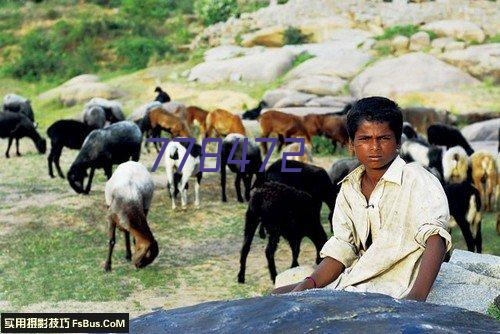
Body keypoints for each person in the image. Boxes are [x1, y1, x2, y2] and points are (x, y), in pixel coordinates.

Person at [273, 96, 452, 301]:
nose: (374, 147)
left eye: (383, 138)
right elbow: (342, 248)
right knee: (275, 296)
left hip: (397, 285)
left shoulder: (417, 178)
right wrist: (308, 284)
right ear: (351, 144)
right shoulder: (350, 189)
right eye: (365, 139)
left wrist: (415, 299)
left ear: (398, 142)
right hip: (358, 278)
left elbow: (435, 236)